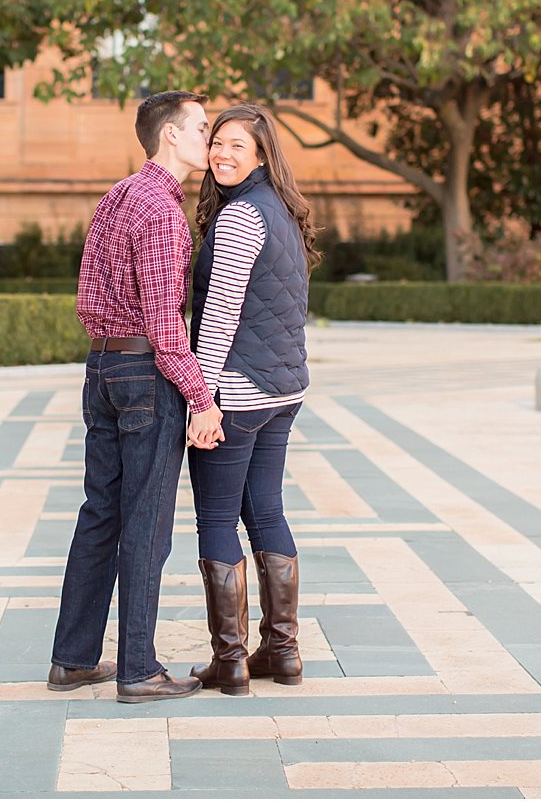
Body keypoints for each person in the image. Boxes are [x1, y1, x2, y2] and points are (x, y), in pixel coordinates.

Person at [47, 90, 228, 704]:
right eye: (202, 127)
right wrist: (201, 397)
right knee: (146, 522)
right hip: (145, 374)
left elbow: (85, 300)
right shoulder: (161, 211)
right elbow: (164, 320)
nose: (210, 137)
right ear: (170, 136)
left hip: (101, 366)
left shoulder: (116, 197)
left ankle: (73, 660)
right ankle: (139, 669)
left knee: (100, 512)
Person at [185, 103, 319, 697]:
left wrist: (201, 399)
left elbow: (219, 317)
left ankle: (232, 661)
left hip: (237, 393)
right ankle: (283, 653)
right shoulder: (282, 212)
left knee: (217, 517)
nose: (222, 154)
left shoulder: (242, 217)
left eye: (238, 145)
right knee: (266, 510)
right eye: (217, 143)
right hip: (282, 388)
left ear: (262, 154)